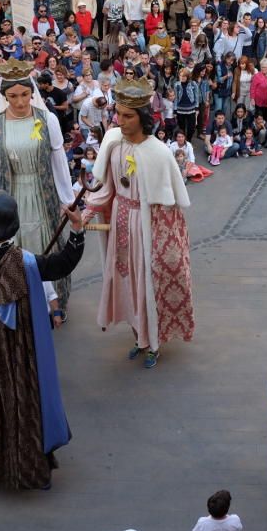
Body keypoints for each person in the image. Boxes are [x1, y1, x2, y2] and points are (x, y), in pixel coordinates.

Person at [0, 190, 85, 489]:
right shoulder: (26, 264)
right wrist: (76, 228)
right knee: (24, 408)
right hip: (20, 361)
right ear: (15, 224)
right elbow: (63, 263)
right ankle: (30, 469)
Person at [83, 78, 195, 368]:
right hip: (120, 222)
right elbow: (105, 189)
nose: (120, 120)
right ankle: (139, 337)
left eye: (127, 115)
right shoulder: (112, 141)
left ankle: (153, 345)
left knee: (146, 285)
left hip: (146, 227)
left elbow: (169, 209)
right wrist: (83, 215)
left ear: (143, 117)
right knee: (126, 282)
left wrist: (165, 246)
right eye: (118, 113)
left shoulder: (158, 152)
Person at [0, 59, 75, 308]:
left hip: (43, 193)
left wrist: (67, 199)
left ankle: (54, 303)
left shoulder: (47, 120)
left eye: (25, 94)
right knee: (16, 246)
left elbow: (58, 160)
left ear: (32, 93)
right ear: (4, 96)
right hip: (12, 196)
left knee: (47, 244)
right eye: (13, 96)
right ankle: (22, 302)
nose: (20, 102)